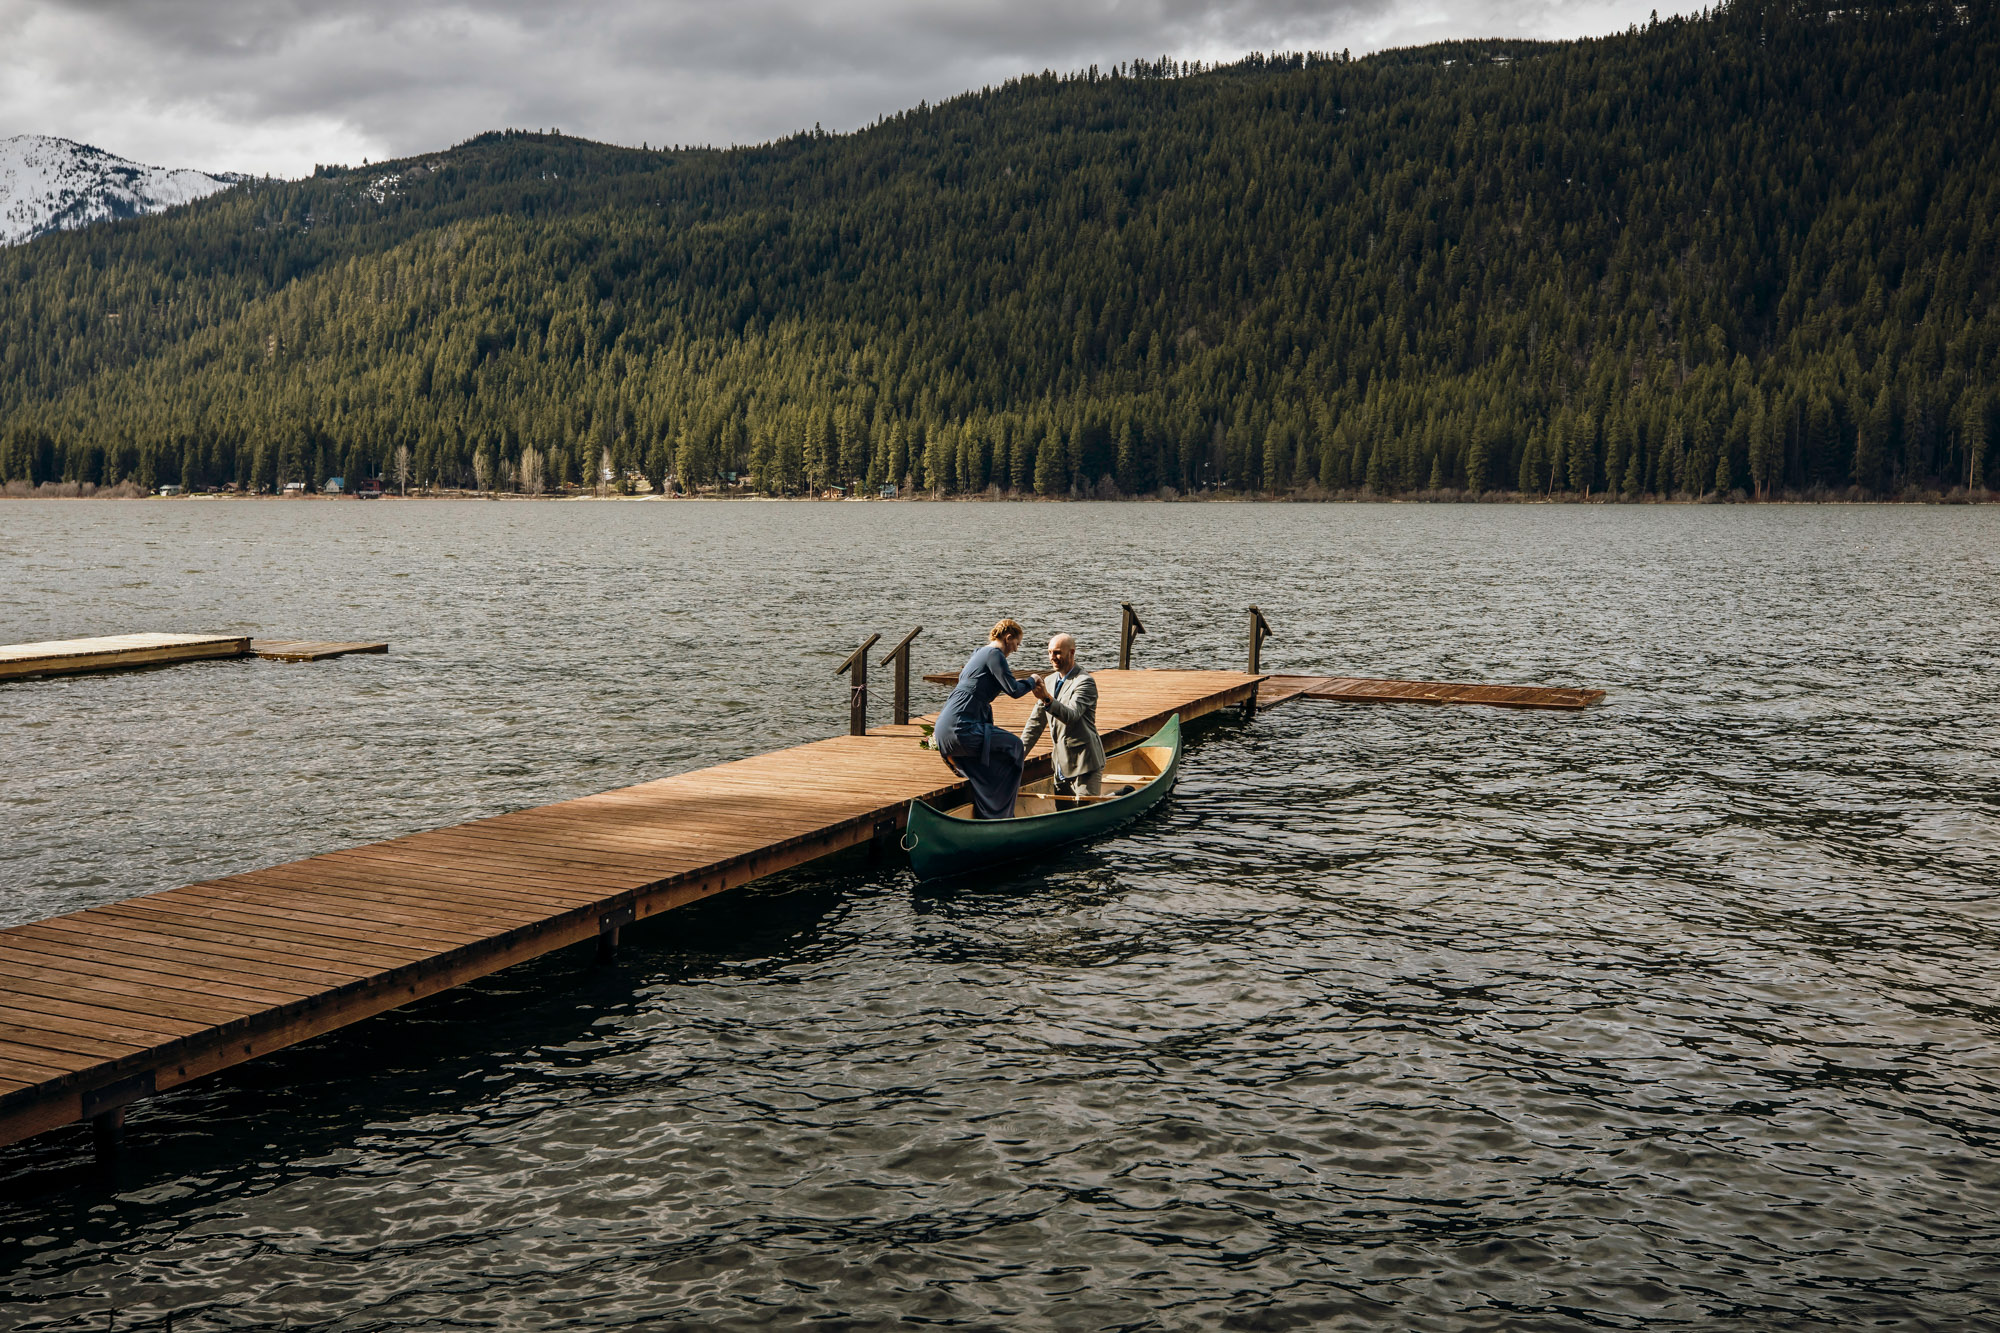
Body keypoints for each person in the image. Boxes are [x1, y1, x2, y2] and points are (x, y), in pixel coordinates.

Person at [933, 618, 1039, 819]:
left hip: (944, 728)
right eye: (1016, 644)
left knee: (994, 755)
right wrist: (1033, 681)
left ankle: (988, 804)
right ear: (1008, 638)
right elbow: (1014, 690)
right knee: (1015, 747)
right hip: (961, 730)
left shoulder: (978, 653)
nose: (1015, 650)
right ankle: (1002, 813)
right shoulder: (995, 655)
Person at [1019, 632, 1105, 797]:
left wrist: (1046, 698)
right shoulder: (1049, 681)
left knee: (1085, 813)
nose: (1053, 657)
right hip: (1060, 763)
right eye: (1050, 652)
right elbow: (1035, 723)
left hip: (1084, 764)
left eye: (1057, 652)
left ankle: (1118, 795)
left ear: (1071, 653)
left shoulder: (1085, 682)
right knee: (1063, 810)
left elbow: (1072, 715)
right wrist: (1018, 756)